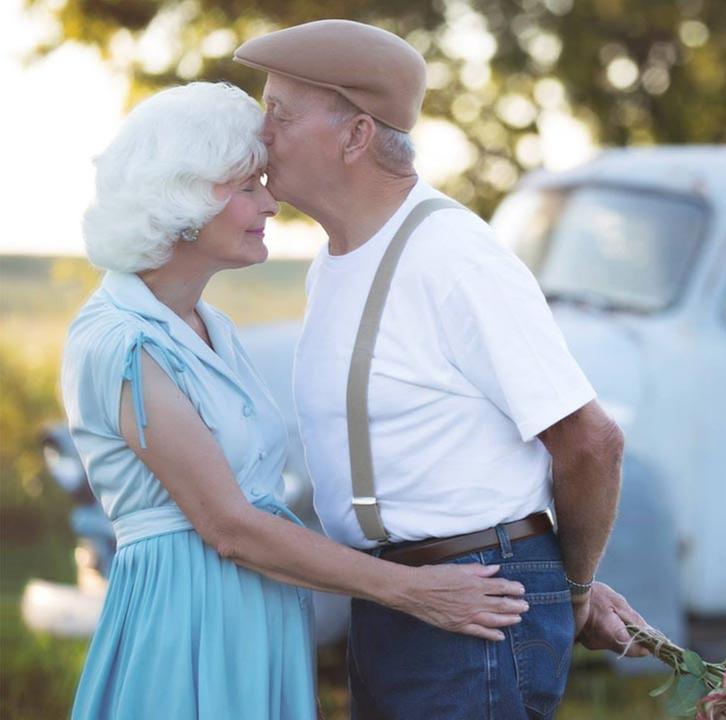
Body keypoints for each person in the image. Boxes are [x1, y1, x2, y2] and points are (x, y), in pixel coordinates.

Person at [61, 80, 529, 720]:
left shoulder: (209, 325)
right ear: (182, 197)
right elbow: (229, 528)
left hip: (257, 611)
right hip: (188, 618)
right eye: (247, 186)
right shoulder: (122, 342)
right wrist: (414, 592)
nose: (271, 202)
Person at [232, 19, 648, 719]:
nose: (259, 134)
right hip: (396, 600)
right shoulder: (339, 261)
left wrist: (568, 590)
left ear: (356, 135)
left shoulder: (453, 255)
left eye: (279, 113)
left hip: (472, 608)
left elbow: (592, 442)